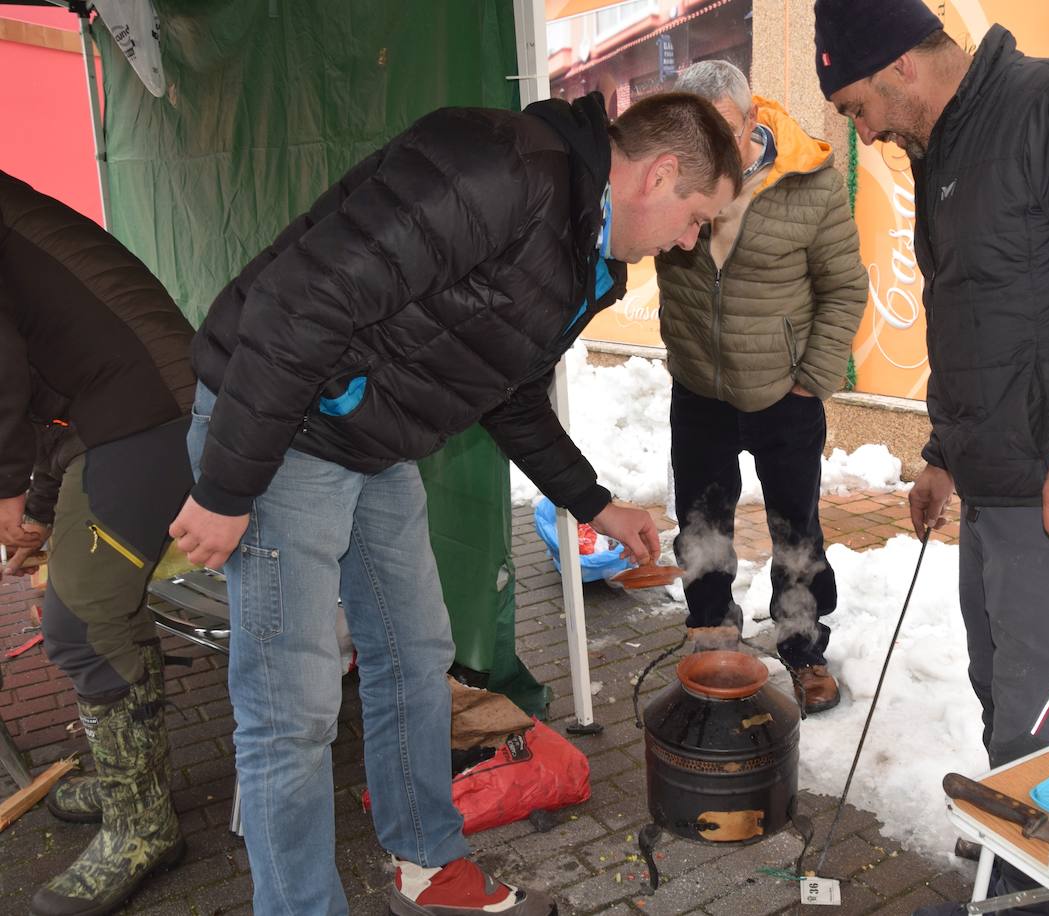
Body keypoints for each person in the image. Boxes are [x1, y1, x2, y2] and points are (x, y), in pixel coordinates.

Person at [167, 92, 741, 916]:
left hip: (369, 443)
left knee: (415, 654)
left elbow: (503, 390)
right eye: (696, 218)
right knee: (291, 713)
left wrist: (594, 503)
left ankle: (425, 860)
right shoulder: (499, 169)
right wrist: (227, 487)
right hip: (279, 430)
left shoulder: (586, 254)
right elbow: (303, 302)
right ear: (659, 173)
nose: (689, 242)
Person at [816, 1, 1049, 910]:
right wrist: (943, 453)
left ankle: (1031, 888)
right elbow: (979, 324)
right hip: (997, 489)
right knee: (1005, 698)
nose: (861, 133)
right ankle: (1020, 850)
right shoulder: (946, 153)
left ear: (902, 66)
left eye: (855, 107)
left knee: (1040, 720)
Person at [0, 170, 196, 916]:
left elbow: (4, 369)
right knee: (85, 615)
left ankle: (143, 825)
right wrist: (39, 513)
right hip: (117, 410)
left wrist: (4, 488)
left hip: (145, 408)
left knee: (82, 622)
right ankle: (131, 788)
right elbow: (52, 385)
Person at [655, 60, 867, 713]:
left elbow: (844, 289)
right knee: (702, 522)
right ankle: (712, 635)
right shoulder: (666, 178)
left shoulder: (810, 182)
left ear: (752, 119)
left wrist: (813, 379)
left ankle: (803, 648)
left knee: (796, 529)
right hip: (699, 388)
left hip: (785, 394)